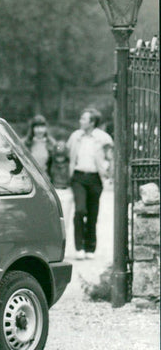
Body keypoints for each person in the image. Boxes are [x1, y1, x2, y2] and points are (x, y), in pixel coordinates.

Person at [68, 108, 113, 260]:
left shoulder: (103, 138)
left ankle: (90, 247)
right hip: (79, 177)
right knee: (80, 210)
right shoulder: (75, 136)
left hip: (95, 178)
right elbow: (67, 152)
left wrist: (109, 172)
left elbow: (111, 157)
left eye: (84, 119)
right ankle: (79, 247)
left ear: (92, 122)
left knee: (93, 213)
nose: (80, 121)